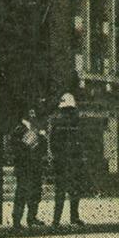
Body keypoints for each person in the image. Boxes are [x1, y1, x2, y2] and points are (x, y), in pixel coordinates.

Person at [48, 93, 87, 227]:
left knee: (60, 191)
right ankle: (73, 217)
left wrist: (54, 156)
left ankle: (56, 220)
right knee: (74, 190)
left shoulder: (56, 121)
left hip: (61, 161)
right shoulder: (76, 121)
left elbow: (52, 142)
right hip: (73, 160)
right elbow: (81, 141)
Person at [9, 108, 46, 230]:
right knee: (22, 192)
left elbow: (43, 147)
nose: (32, 115)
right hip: (24, 165)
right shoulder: (19, 129)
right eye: (30, 113)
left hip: (35, 165)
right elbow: (15, 147)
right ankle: (17, 220)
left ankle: (32, 217)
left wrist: (42, 137)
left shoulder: (36, 129)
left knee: (36, 191)